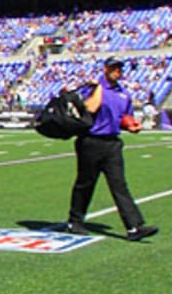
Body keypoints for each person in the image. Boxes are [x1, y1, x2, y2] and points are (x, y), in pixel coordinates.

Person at [64, 56, 157, 242]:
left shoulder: (123, 93)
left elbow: (123, 117)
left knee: (119, 185)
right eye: (114, 67)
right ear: (106, 68)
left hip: (112, 143)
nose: (118, 71)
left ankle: (133, 227)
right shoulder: (93, 87)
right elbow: (90, 108)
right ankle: (75, 221)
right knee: (86, 183)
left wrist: (130, 125)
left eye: (120, 68)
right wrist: (97, 87)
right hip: (91, 141)